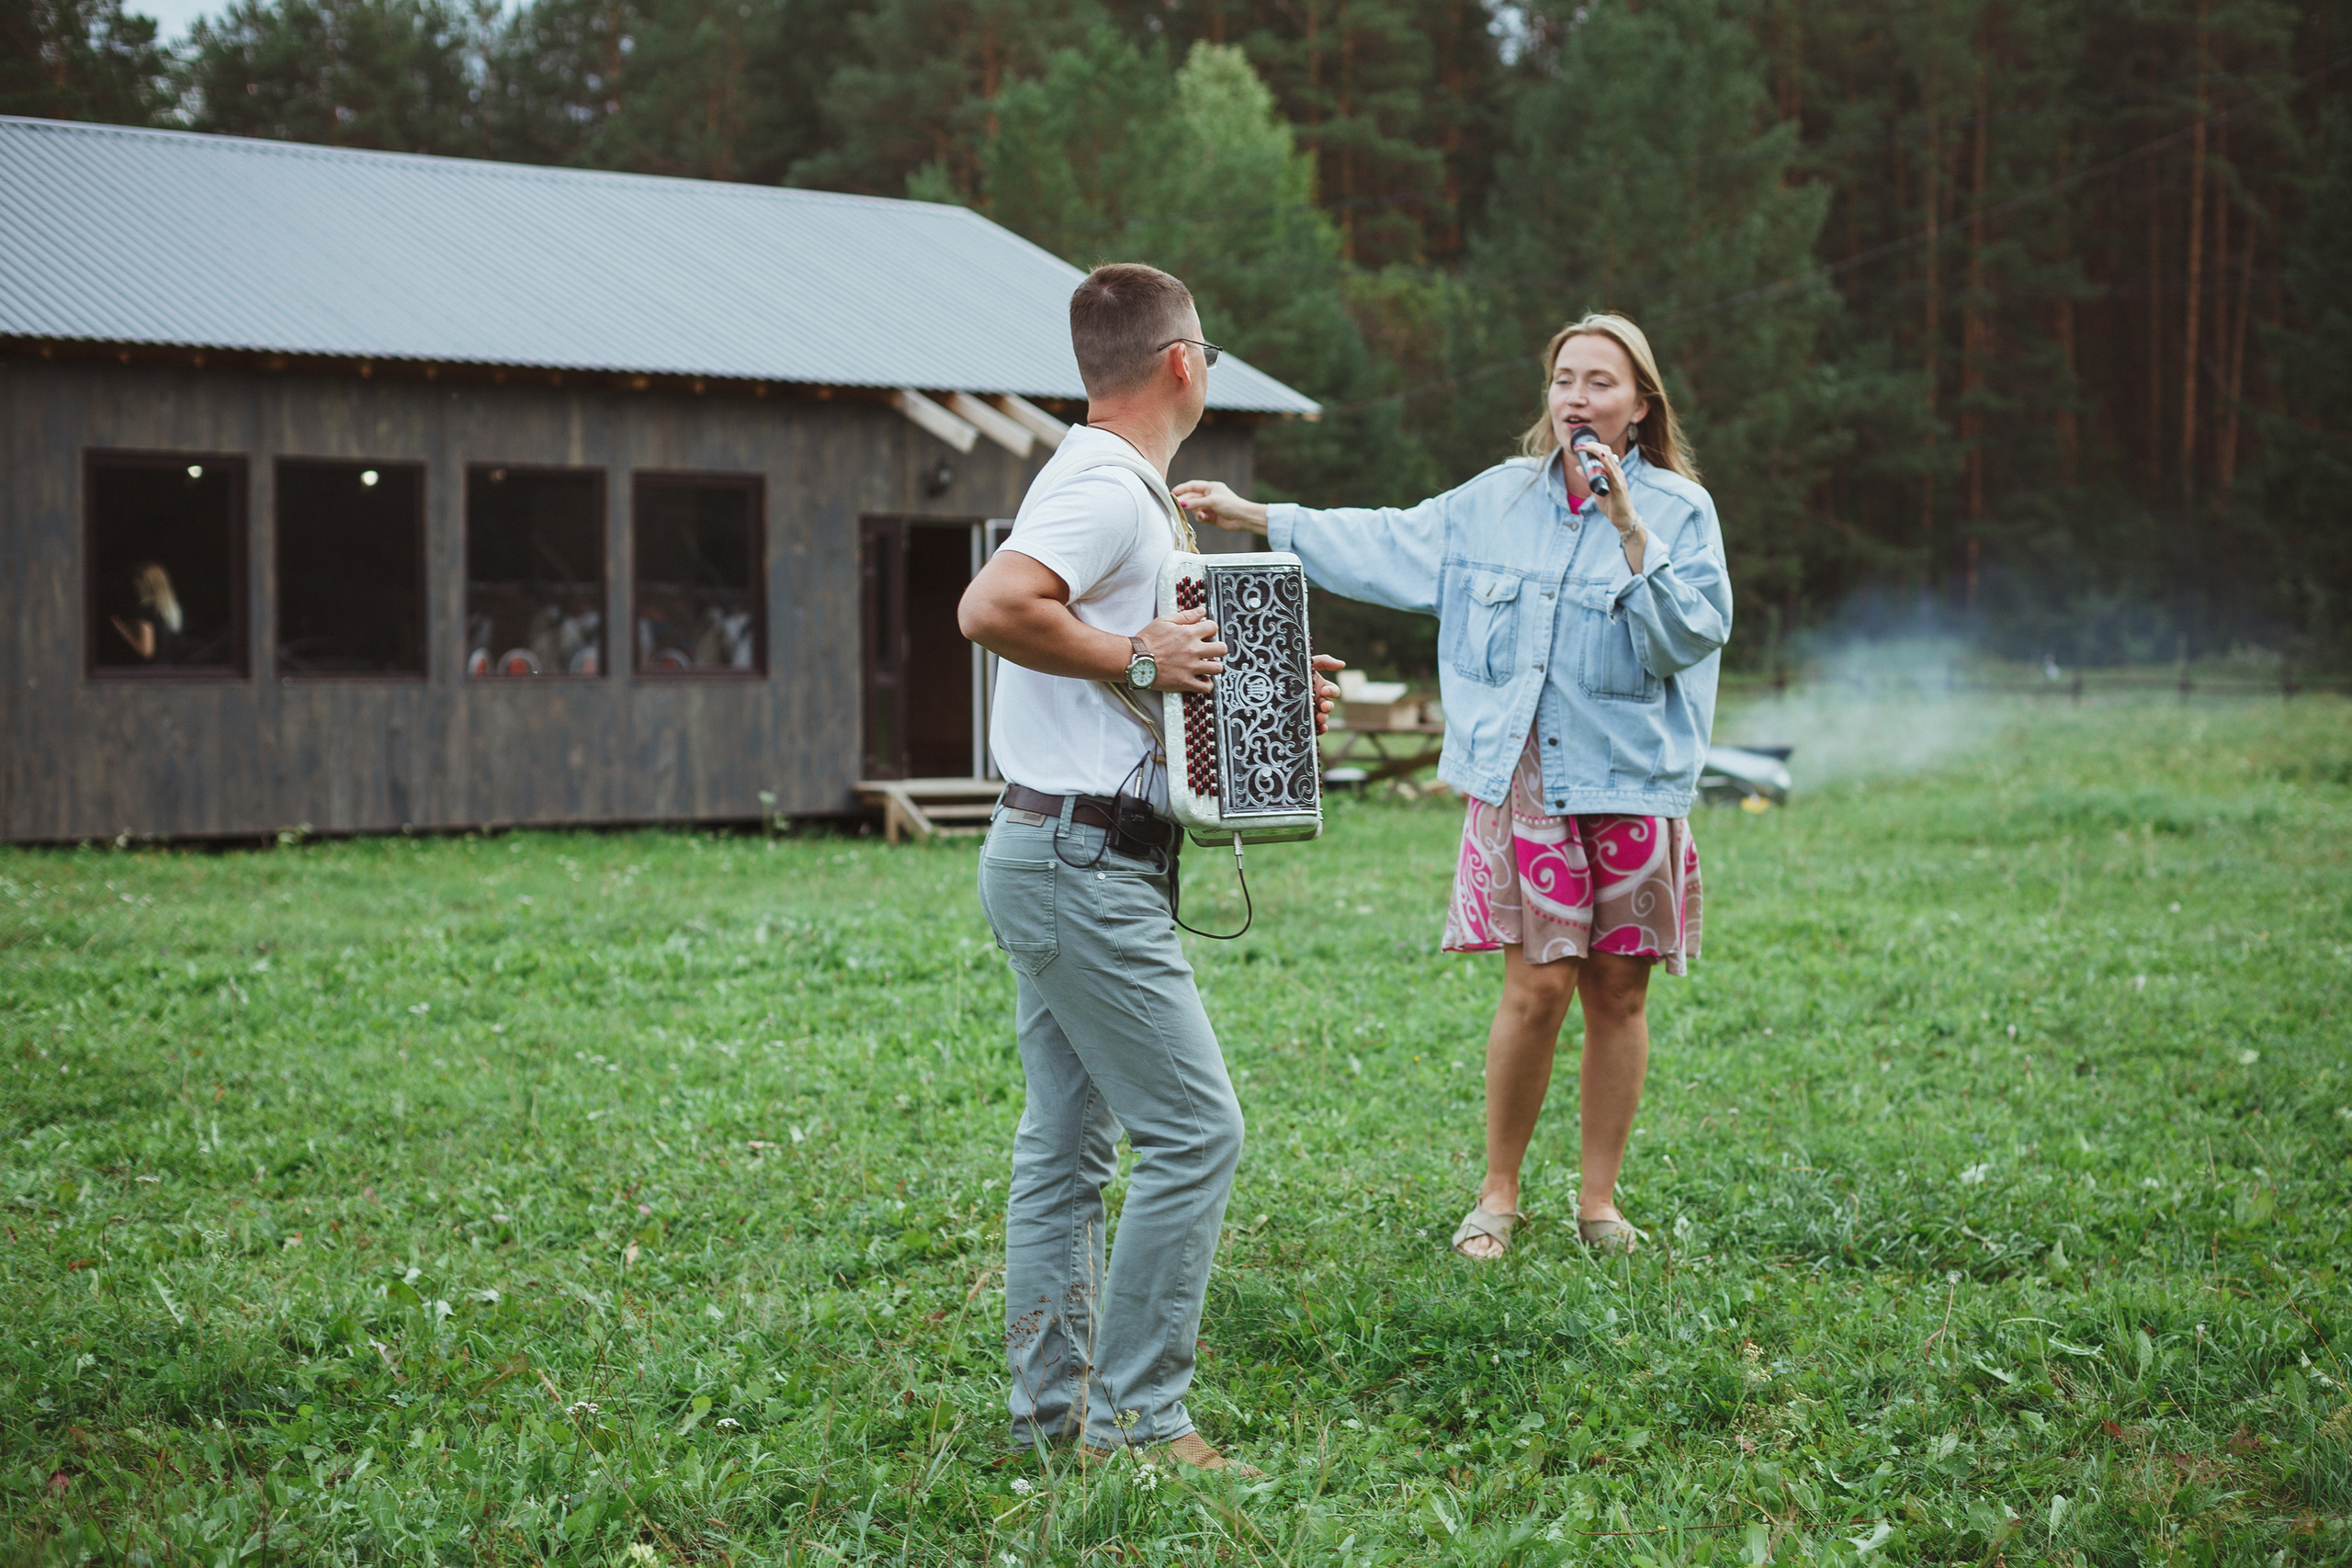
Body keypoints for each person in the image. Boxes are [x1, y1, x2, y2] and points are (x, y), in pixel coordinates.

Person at [1174, 312, 1730, 1261]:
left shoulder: (1680, 513)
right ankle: (1498, 1194)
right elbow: (1391, 542)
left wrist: (1627, 528)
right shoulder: (1494, 503)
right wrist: (1259, 516)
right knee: (1536, 989)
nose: (1577, 399)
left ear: (1639, 407)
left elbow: (1690, 635)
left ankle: (1598, 1203)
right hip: (1526, 781)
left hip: (1632, 784)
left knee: (1617, 993)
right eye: (1564, 380)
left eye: (1600, 382)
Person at [957, 264, 1341, 1470]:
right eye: (1211, 352)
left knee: (1067, 1140)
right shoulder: (1110, 488)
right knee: (1195, 1129)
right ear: (1184, 363)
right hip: (1077, 858)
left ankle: (1055, 1416)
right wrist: (1132, 655)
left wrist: (1265, 687)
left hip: (1064, 846)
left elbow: (1155, 667)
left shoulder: (1120, 487)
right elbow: (993, 605)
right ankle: (1139, 1416)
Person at [109, 560, 185, 662]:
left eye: (138, 577)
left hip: (150, 673)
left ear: (147, 583)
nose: (134, 581)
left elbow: (146, 651)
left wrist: (122, 631)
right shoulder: (169, 611)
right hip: (168, 669)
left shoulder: (146, 611)